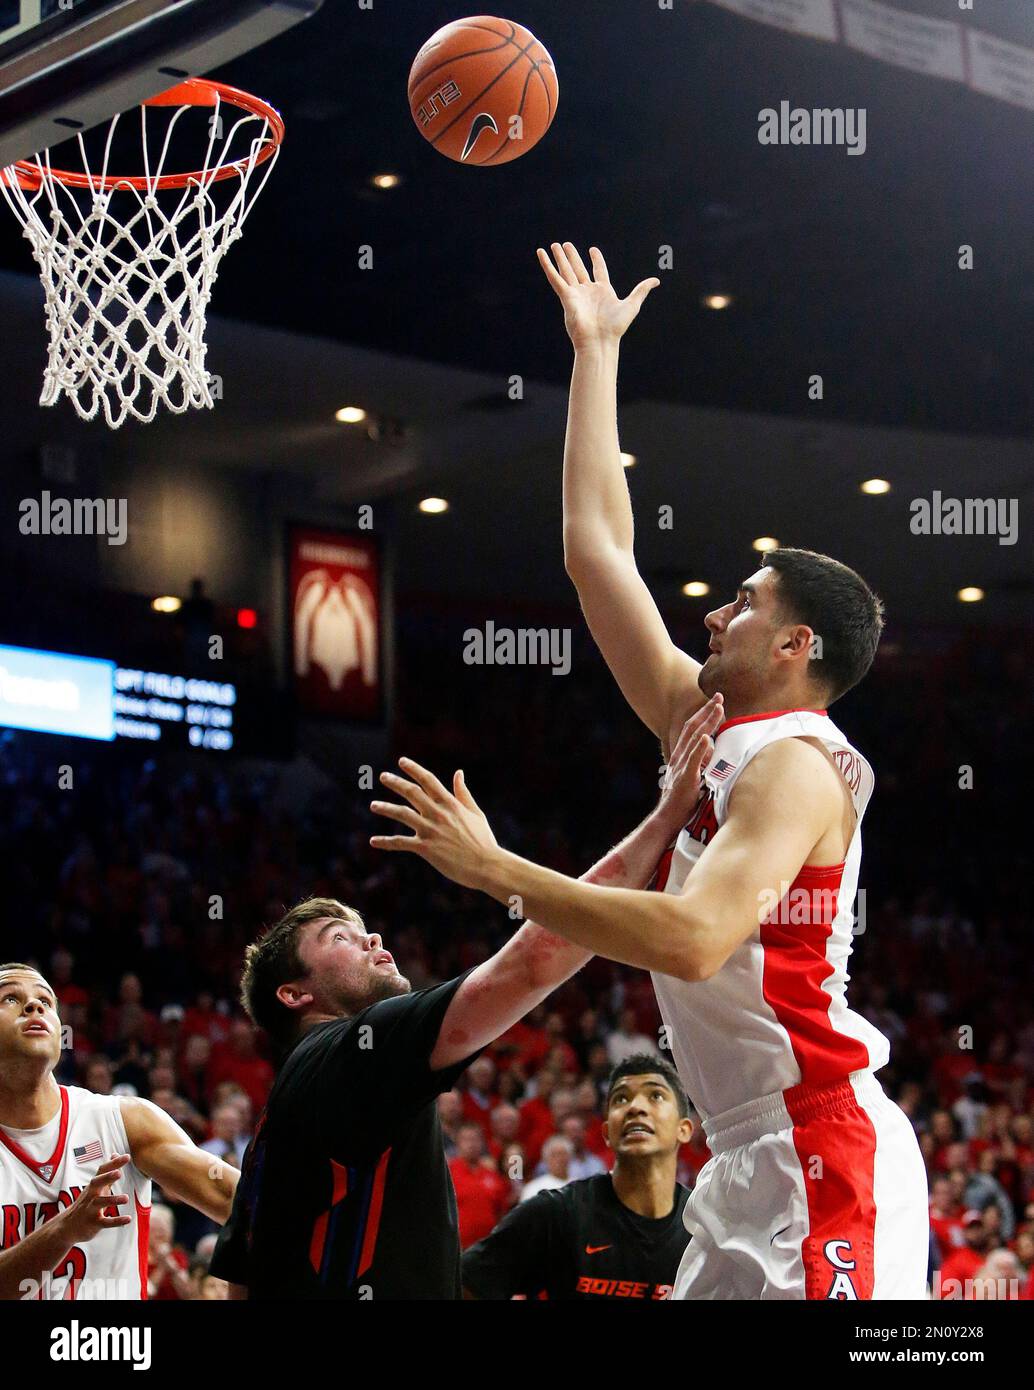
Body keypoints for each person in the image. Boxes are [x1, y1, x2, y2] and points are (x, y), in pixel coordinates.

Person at [370, 241, 929, 1302]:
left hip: (820, 1147)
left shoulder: (796, 768)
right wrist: (593, 352)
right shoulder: (707, 724)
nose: (714, 612)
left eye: (743, 602)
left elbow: (693, 934)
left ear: (793, 645)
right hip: (741, 1150)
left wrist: (502, 871)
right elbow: (595, 549)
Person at [212, 706, 713, 1300]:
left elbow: (243, 1282)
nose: (372, 939)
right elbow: (531, 964)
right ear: (295, 995)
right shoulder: (347, 1053)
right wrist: (665, 820)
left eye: (364, 926)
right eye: (340, 937)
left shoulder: (280, 1116)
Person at [0, 963, 237, 1301]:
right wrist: (64, 1231)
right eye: (10, 998)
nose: (34, 1006)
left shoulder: (125, 1120)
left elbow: (233, 1198)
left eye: (45, 1001)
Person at [463, 1057, 691, 1300]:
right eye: (621, 1099)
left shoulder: (706, 1225)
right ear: (606, 1133)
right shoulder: (555, 1213)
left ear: (684, 1129)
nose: (635, 1107)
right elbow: (464, 1284)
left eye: (655, 1096)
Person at [520, 1135, 573, 1202]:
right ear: (546, 1159)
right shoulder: (533, 1188)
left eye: (563, 1154)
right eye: (554, 1155)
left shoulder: (580, 1186)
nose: (560, 1159)